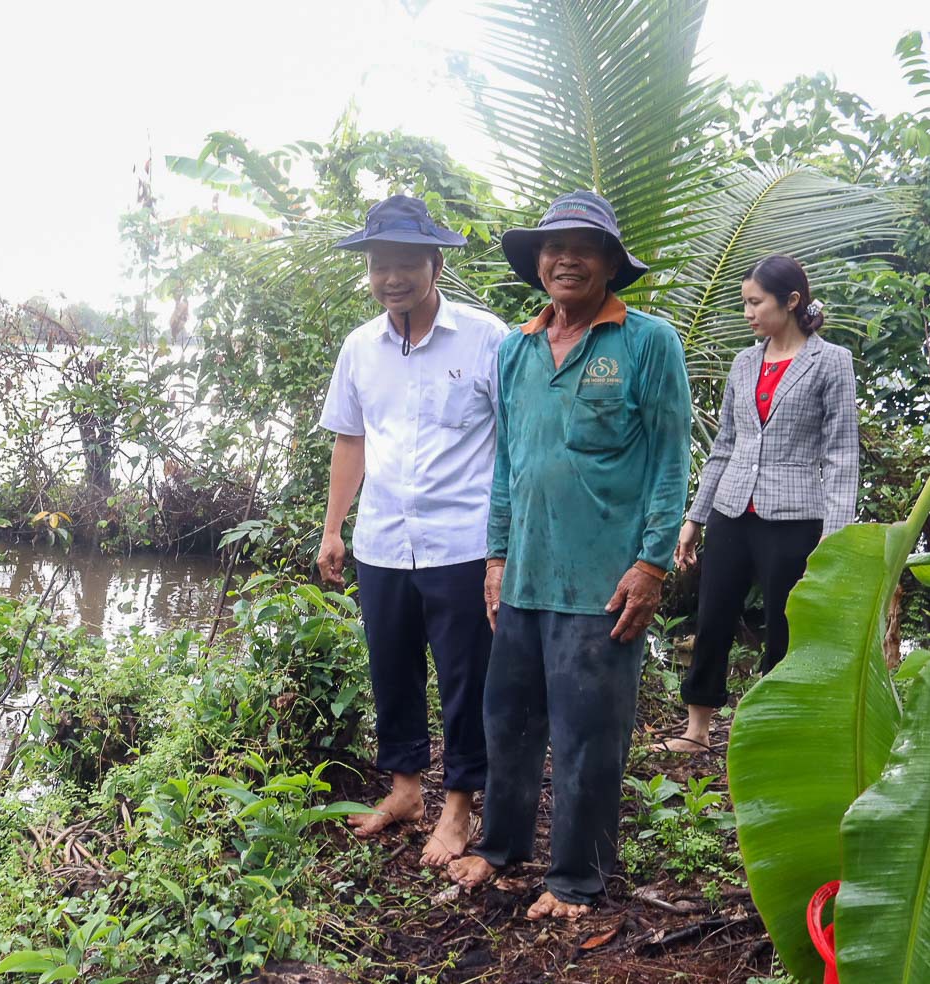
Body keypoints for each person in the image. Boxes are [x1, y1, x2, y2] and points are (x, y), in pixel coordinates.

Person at [446, 191, 692, 919]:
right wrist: (494, 559)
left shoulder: (647, 342)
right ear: (536, 263)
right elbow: (505, 465)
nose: (565, 259)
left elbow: (671, 461)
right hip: (522, 575)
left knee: (588, 737)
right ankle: (500, 848)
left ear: (611, 264)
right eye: (552, 248)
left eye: (584, 247)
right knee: (509, 723)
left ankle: (576, 879)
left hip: (603, 583)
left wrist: (651, 565)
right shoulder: (516, 349)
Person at [316, 195, 509, 866]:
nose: (390, 277)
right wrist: (333, 528)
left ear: (435, 265)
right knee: (390, 669)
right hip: (382, 542)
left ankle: (458, 806)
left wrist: (504, 547)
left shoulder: (487, 339)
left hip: (461, 543)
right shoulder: (359, 347)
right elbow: (350, 439)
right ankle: (403, 788)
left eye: (404, 263)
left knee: (464, 678)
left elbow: (516, 443)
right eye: (378, 265)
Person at [663, 256, 860, 753]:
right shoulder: (745, 362)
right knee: (713, 617)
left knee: (785, 628)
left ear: (791, 301)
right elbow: (725, 444)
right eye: (745, 302)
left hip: (795, 518)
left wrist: (834, 539)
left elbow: (841, 454)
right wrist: (695, 517)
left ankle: (777, 737)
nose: (747, 312)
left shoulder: (831, 361)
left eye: (755, 302)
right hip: (732, 509)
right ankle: (698, 729)